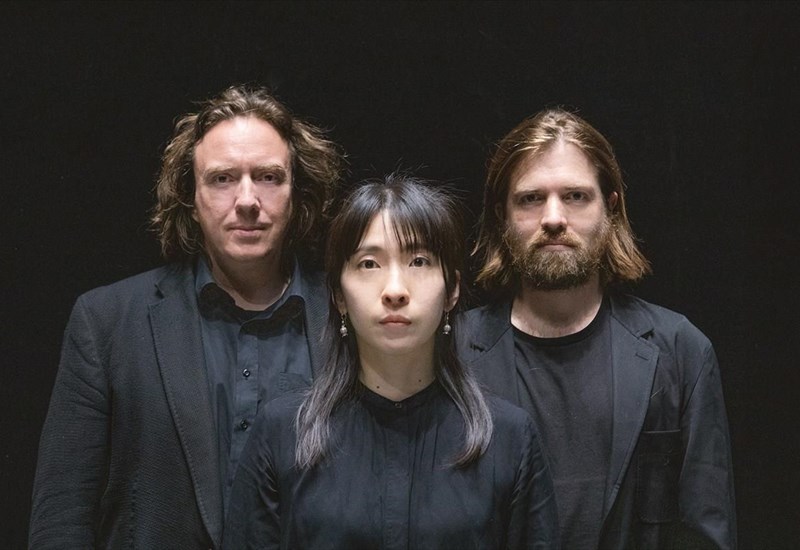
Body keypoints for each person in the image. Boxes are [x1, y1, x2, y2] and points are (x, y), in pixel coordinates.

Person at [29, 85, 344, 549]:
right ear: (190, 199)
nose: (247, 199)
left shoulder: (347, 314)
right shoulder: (107, 321)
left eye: (268, 177)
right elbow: (61, 519)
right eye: (222, 179)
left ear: (297, 193)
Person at [223, 174, 559, 549]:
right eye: (369, 264)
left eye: (419, 261)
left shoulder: (510, 439)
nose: (395, 290)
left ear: (452, 291)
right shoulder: (282, 433)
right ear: (338, 296)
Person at [460, 109, 736, 549]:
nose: (553, 217)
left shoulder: (680, 350)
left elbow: (706, 533)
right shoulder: (452, 351)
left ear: (610, 208)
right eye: (531, 199)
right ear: (502, 216)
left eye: (575, 196)